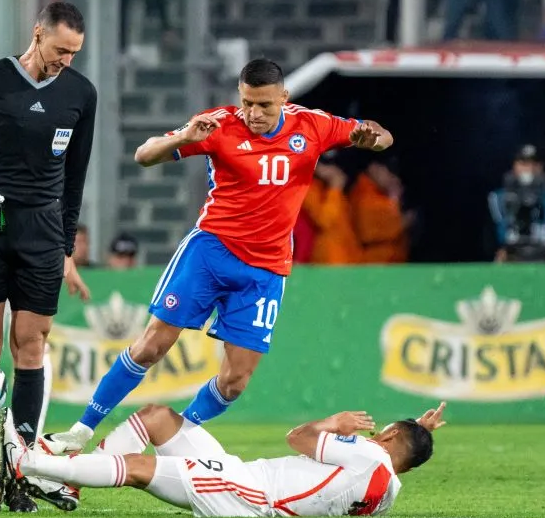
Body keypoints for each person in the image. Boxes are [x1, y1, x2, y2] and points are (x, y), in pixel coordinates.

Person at [40, 58, 392, 456]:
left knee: (235, 381)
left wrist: (371, 138)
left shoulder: (312, 125)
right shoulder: (218, 125)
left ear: (284, 98)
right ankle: (81, 430)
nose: (254, 113)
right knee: (152, 346)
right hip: (210, 253)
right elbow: (144, 155)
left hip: (264, 270)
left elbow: (382, 136)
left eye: (264, 105)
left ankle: (178, 434)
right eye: (247, 103)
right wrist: (183, 137)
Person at [0, 1, 95, 513]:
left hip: (42, 232)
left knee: (31, 346)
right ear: (38, 34)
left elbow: (75, 178)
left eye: (74, 53)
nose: (66, 61)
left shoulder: (81, 94)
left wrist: (66, 247)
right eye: (60, 50)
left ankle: (19, 472)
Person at [6, 401, 445, 518]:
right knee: (158, 419)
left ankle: (30, 464)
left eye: (383, 431)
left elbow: (297, 438)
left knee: (138, 469)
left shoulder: (368, 453)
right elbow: (400, 456)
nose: (371, 433)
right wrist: (419, 433)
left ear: (389, 436)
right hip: (246, 478)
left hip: (248, 493)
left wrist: (333, 422)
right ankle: (69, 483)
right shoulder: (388, 493)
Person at [488, 145, 545, 262]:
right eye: (524, 163)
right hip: (511, 260)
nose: (529, 169)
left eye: (535, 164)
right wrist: (497, 251)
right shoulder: (496, 199)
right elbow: (486, 238)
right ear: (514, 165)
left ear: (542, 166)